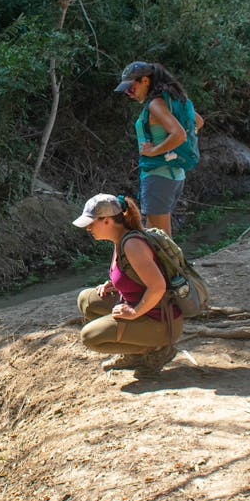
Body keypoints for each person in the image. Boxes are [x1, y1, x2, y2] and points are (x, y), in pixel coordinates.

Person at [73, 193, 183, 373]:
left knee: (89, 337)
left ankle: (156, 349)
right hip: (149, 311)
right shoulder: (120, 240)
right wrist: (115, 284)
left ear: (107, 220)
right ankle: (135, 349)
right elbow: (136, 276)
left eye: (92, 223)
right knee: (87, 300)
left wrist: (133, 312)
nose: (88, 228)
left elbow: (158, 286)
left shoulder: (132, 245)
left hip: (162, 322)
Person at [114, 61, 204, 236]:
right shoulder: (171, 100)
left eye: (131, 88)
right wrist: (171, 149)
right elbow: (198, 122)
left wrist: (154, 151)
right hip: (173, 174)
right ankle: (165, 264)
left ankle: (175, 265)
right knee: (153, 234)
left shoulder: (156, 104)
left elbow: (179, 134)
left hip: (159, 175)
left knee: (161, 238)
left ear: (145, 81)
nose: (129, 94)